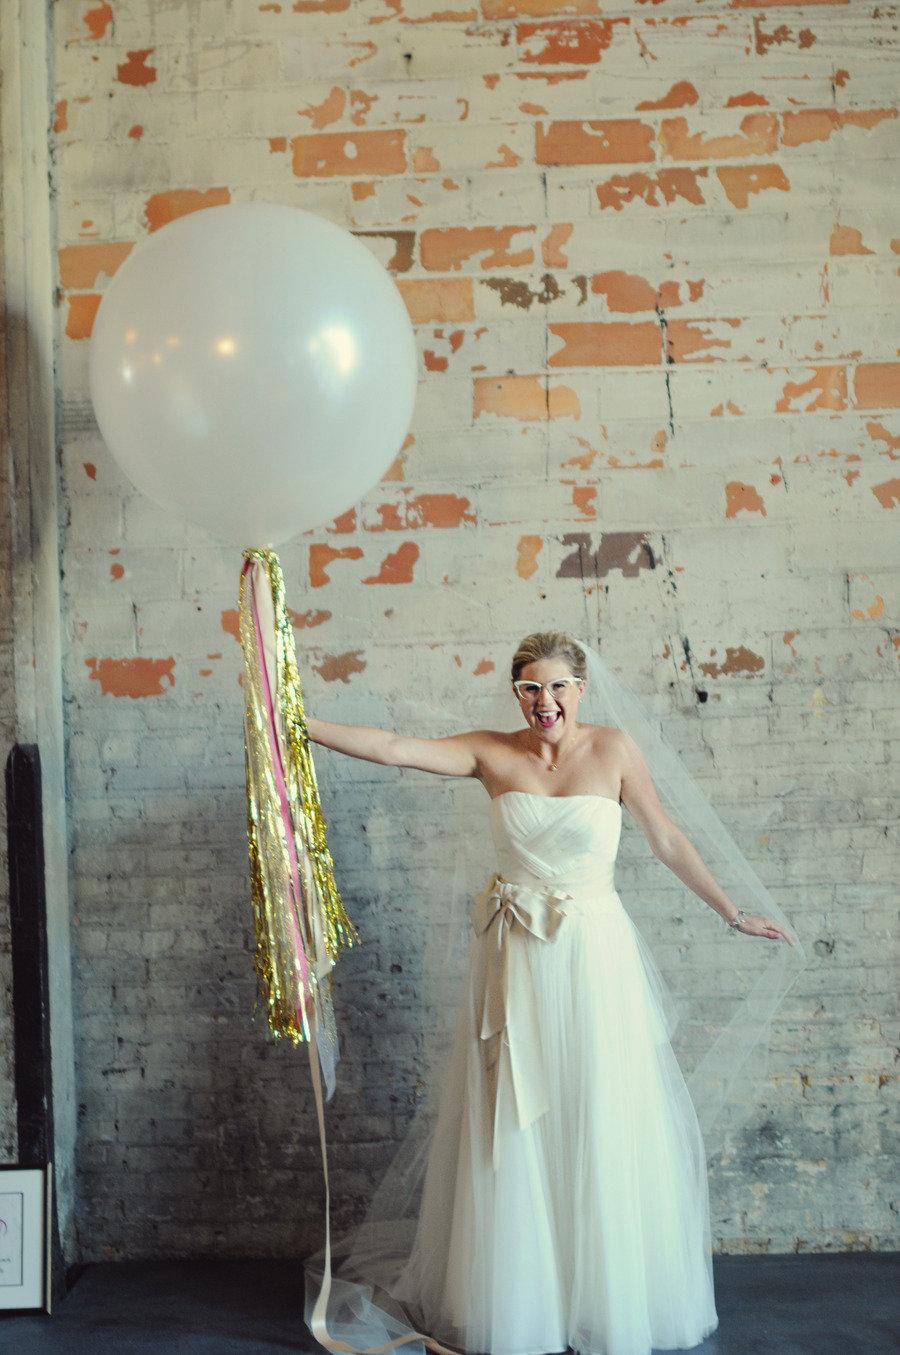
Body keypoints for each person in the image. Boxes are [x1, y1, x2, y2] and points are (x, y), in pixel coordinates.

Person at [301, 631, 799, 1355]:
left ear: (582, 688)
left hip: (594, 957)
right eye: (531, 688)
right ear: (516, 693)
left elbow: (665, 837)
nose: (546, 701)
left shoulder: (615, 750)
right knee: (516, 1121)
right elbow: (393, 746)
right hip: (516, 964)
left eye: (559, 686)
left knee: (599, 1112)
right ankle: (522, 1299)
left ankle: (602, 1295)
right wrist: (295, 721)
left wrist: (731, 911)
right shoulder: (489, 751)